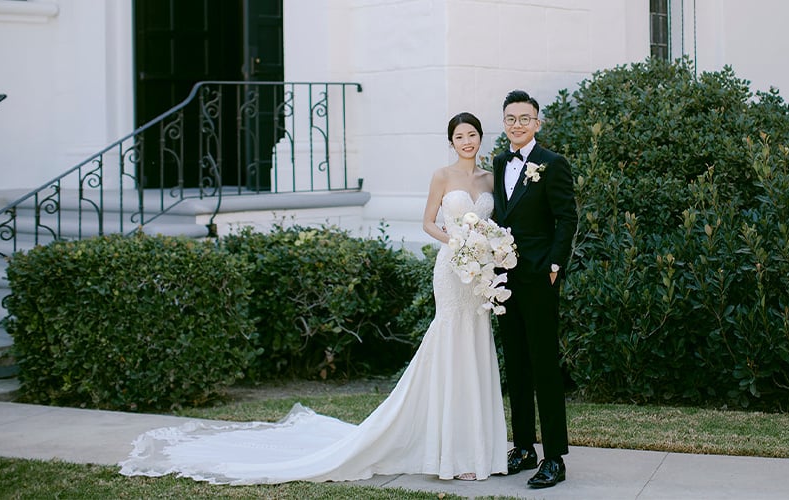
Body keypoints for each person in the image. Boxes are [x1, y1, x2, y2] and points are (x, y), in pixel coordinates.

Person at [118, 112, 508, 484]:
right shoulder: (442, 175)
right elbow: (427, 222)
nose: (467, 141)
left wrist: (487, 247)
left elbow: (494, 224)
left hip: (479, 277)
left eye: (472, 135)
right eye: (459, 137)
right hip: (451, 269)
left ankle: (478, 449)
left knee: (475, 344)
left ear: (479, 137)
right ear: (451, 142)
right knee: (449, 343)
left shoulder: (491, 180)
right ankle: (448, 452)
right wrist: (457, 242)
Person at [491, 90, 578, 489]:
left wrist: (555, 265)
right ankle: (523, 447)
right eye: (511, 118)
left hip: (540, 279)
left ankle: (554, 458)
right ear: (504, 122)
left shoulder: (553, 164)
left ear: (537, 123)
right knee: (517, 367)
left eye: (525, 118)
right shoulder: (498, 163)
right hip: (504, 282)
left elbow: (566, 218)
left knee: (544, 366)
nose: (517, 125)